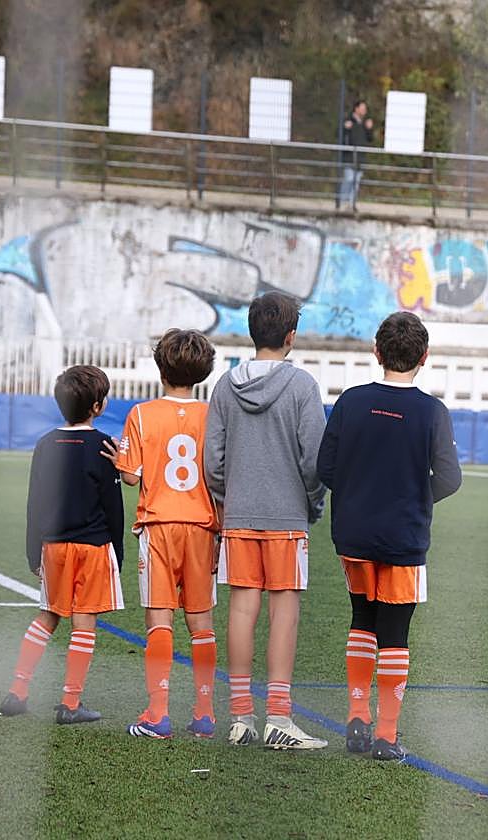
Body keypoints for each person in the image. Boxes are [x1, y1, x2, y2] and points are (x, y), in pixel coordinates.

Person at [317, 312, 462, 761]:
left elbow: (325, 469)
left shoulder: (351, 402)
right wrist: (415, 501)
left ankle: (356, 718)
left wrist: (361, 496)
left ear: (376, 353)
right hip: (404, 537)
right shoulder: (433, 411)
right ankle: (386, 734)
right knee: (395, 634)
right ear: (424, 358)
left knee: (362, 620)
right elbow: (451, 478)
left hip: (354, 535)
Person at [204, 291, 329, 750]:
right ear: (291, 337)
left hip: (238, 515)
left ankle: (241, 717)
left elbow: (211, 460)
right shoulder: (302, 387)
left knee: (241, 610)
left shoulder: (224, 386)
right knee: (284, 614)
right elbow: (314, 461)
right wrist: (312, 504)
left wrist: (227, 498)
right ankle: (278, 716)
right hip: (286, 516)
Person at [100, 329, 220, 739]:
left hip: (159, 525)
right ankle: (205, 713)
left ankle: (157, 712)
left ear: (160, 367)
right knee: (201, 623)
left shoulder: (141, 413)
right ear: (203, 371)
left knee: (159, 618)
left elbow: (132, 477)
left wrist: (120, 460)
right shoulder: (212, 414)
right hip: (203, 526)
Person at [0, 365, 125, 725]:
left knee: (48, 616)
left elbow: (34, 503)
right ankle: (70, 704)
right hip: (93, 547)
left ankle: (18, 691)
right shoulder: (104, 446)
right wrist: (116, 551)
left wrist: (31, 551)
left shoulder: (45, 444)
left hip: (53, 547)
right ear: (98, 406)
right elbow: (112, 507)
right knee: (84, 623)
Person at [338, 99, 375, 209]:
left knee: (356, 182)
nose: (364, 111)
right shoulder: (348, 121)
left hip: (360, 157)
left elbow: (370, 139)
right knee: (349, 179)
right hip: (349, 156)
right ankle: (342, 202)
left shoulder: (364, 123)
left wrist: (369, 129)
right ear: (356, 109)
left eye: (365, 109)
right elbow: (339, 135)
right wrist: (345, 128)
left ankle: (351, 204)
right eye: (362, 108)